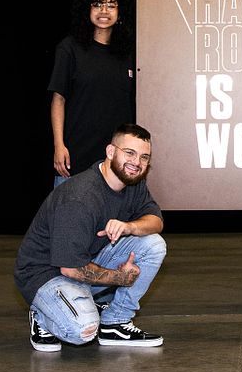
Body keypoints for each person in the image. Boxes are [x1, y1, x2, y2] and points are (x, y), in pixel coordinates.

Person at [14, 123, 167, 350]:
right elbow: (70, 269)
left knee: (153, 245)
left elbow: (156, 221)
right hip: (46, 274)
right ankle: (43, 314)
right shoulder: (80, 197)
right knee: (83, 331)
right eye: (130, 153)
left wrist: (129, 227)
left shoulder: (132, 183)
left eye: (144, 157)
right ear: (110, 152)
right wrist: (120, 278)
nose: (137, 162)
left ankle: (115, 322)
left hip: (85, 261)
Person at [48, 0, 135, 186]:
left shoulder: (129, 54)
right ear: (87, 10)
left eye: (111, 5)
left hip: (117, 161)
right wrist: (59, 145)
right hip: (76, 157)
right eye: (97, 4)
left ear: (120, 13)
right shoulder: (69, 48)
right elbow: (58, 99)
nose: (104, 10)